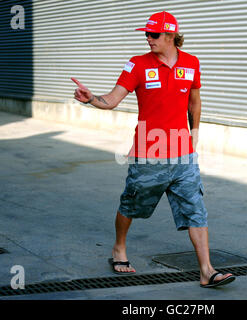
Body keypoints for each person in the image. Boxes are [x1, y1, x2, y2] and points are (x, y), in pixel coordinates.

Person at [72, 11, 235, 288]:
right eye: (146, 34)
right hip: (149, 154)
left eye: (154, 34)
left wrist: (194, 134)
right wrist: (91, 99)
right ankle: (119, 249)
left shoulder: (192, 63)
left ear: (171, 35)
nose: (148, 39)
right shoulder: (137, 65)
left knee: (196, 209)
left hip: (183, 156)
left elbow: (194, 102)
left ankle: (207, 271)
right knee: (131, 204)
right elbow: (112, 99)